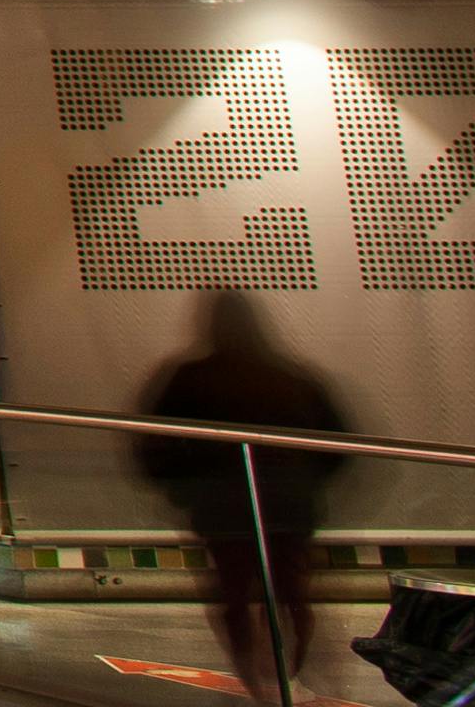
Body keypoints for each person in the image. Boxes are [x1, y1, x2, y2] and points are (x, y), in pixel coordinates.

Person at [134, 290, 352, 703]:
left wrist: (181, 488)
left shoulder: (188, 379)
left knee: (233, 594)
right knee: (292, 589)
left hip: (223, 510)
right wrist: (309, 482)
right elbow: (337, 442)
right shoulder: (290, 377)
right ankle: (294, 670)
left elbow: (155, 443)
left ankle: (252, 680)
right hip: (289, 507)